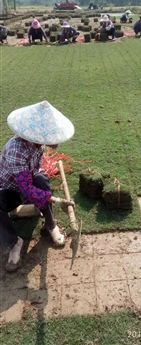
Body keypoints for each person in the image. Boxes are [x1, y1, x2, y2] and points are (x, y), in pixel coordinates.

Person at [0, 100, 75, 271]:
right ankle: (14, 243)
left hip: (25, 183)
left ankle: (50, 224)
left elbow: (34, 176)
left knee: (41, 180)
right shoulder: (16, 150)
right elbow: (25, 188)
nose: (55, 140)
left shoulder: (37, 145)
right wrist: (56, 200)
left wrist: (42, 186)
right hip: (10, 189)